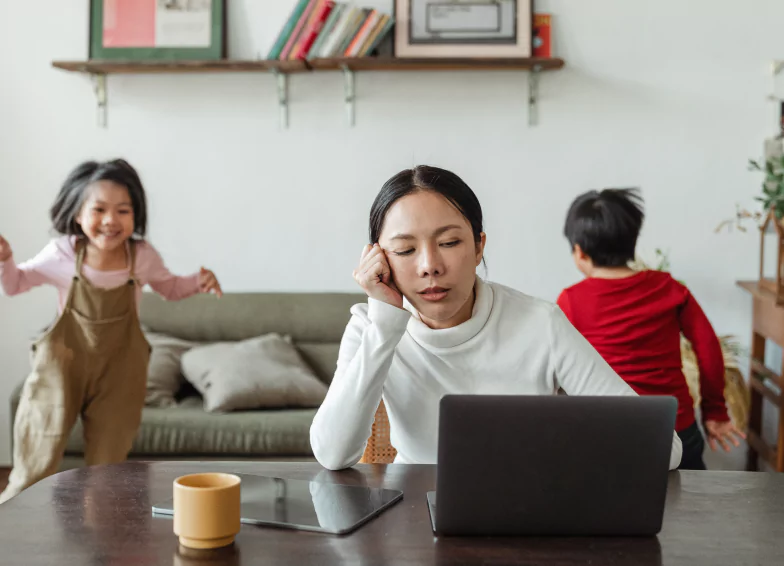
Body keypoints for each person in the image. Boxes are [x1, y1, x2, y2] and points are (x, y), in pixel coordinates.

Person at [310, 166, 682, 471]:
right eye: (405, 249)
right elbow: (332, 454)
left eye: (450, 243)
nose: (430, 267)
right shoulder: (370, 327)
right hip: (413, 517)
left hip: (526, 511)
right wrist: (385, 324)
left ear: (478, 247)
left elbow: (664, 449)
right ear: (379, 259)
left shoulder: (540, 323)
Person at [0, 158, 222, 503]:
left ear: (135, 215)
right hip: (61, 368)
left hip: (119, 374)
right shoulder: (61, 254)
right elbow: (15, 284)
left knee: (106, 474)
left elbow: (170, 288)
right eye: (99, 209)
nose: (110, 220)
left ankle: (100, 548)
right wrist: (5, 261)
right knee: (33, 465)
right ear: (77, 214)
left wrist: (198, 281)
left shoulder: (142, 257)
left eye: (123, 210)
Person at [556, 188, 744, 470]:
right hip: (676, 428)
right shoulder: (669, 288)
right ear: (632, 242)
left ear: (579, 252)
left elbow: (560, 366)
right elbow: (708, 348)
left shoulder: (570, 300)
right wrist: (715, 410)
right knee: (690, 508)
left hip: (610, 432)